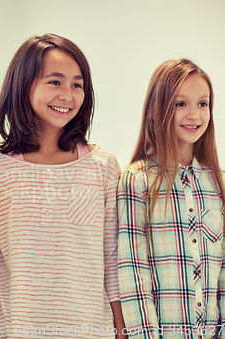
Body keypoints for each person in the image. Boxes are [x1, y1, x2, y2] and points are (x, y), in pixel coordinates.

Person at [0, 33, 126, 338]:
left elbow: (112, 265)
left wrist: (122, 333)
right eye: (55, 81)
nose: (68, 95)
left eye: (77, 84)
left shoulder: (104, 165)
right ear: (23, 85)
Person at [117, 59, 225, 338]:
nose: (194, 115)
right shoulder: (137, 181)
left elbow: (223, 278)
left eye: (203, 104)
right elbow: (134, 275)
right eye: (181, 104)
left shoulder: (219, 183)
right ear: (158, 110)